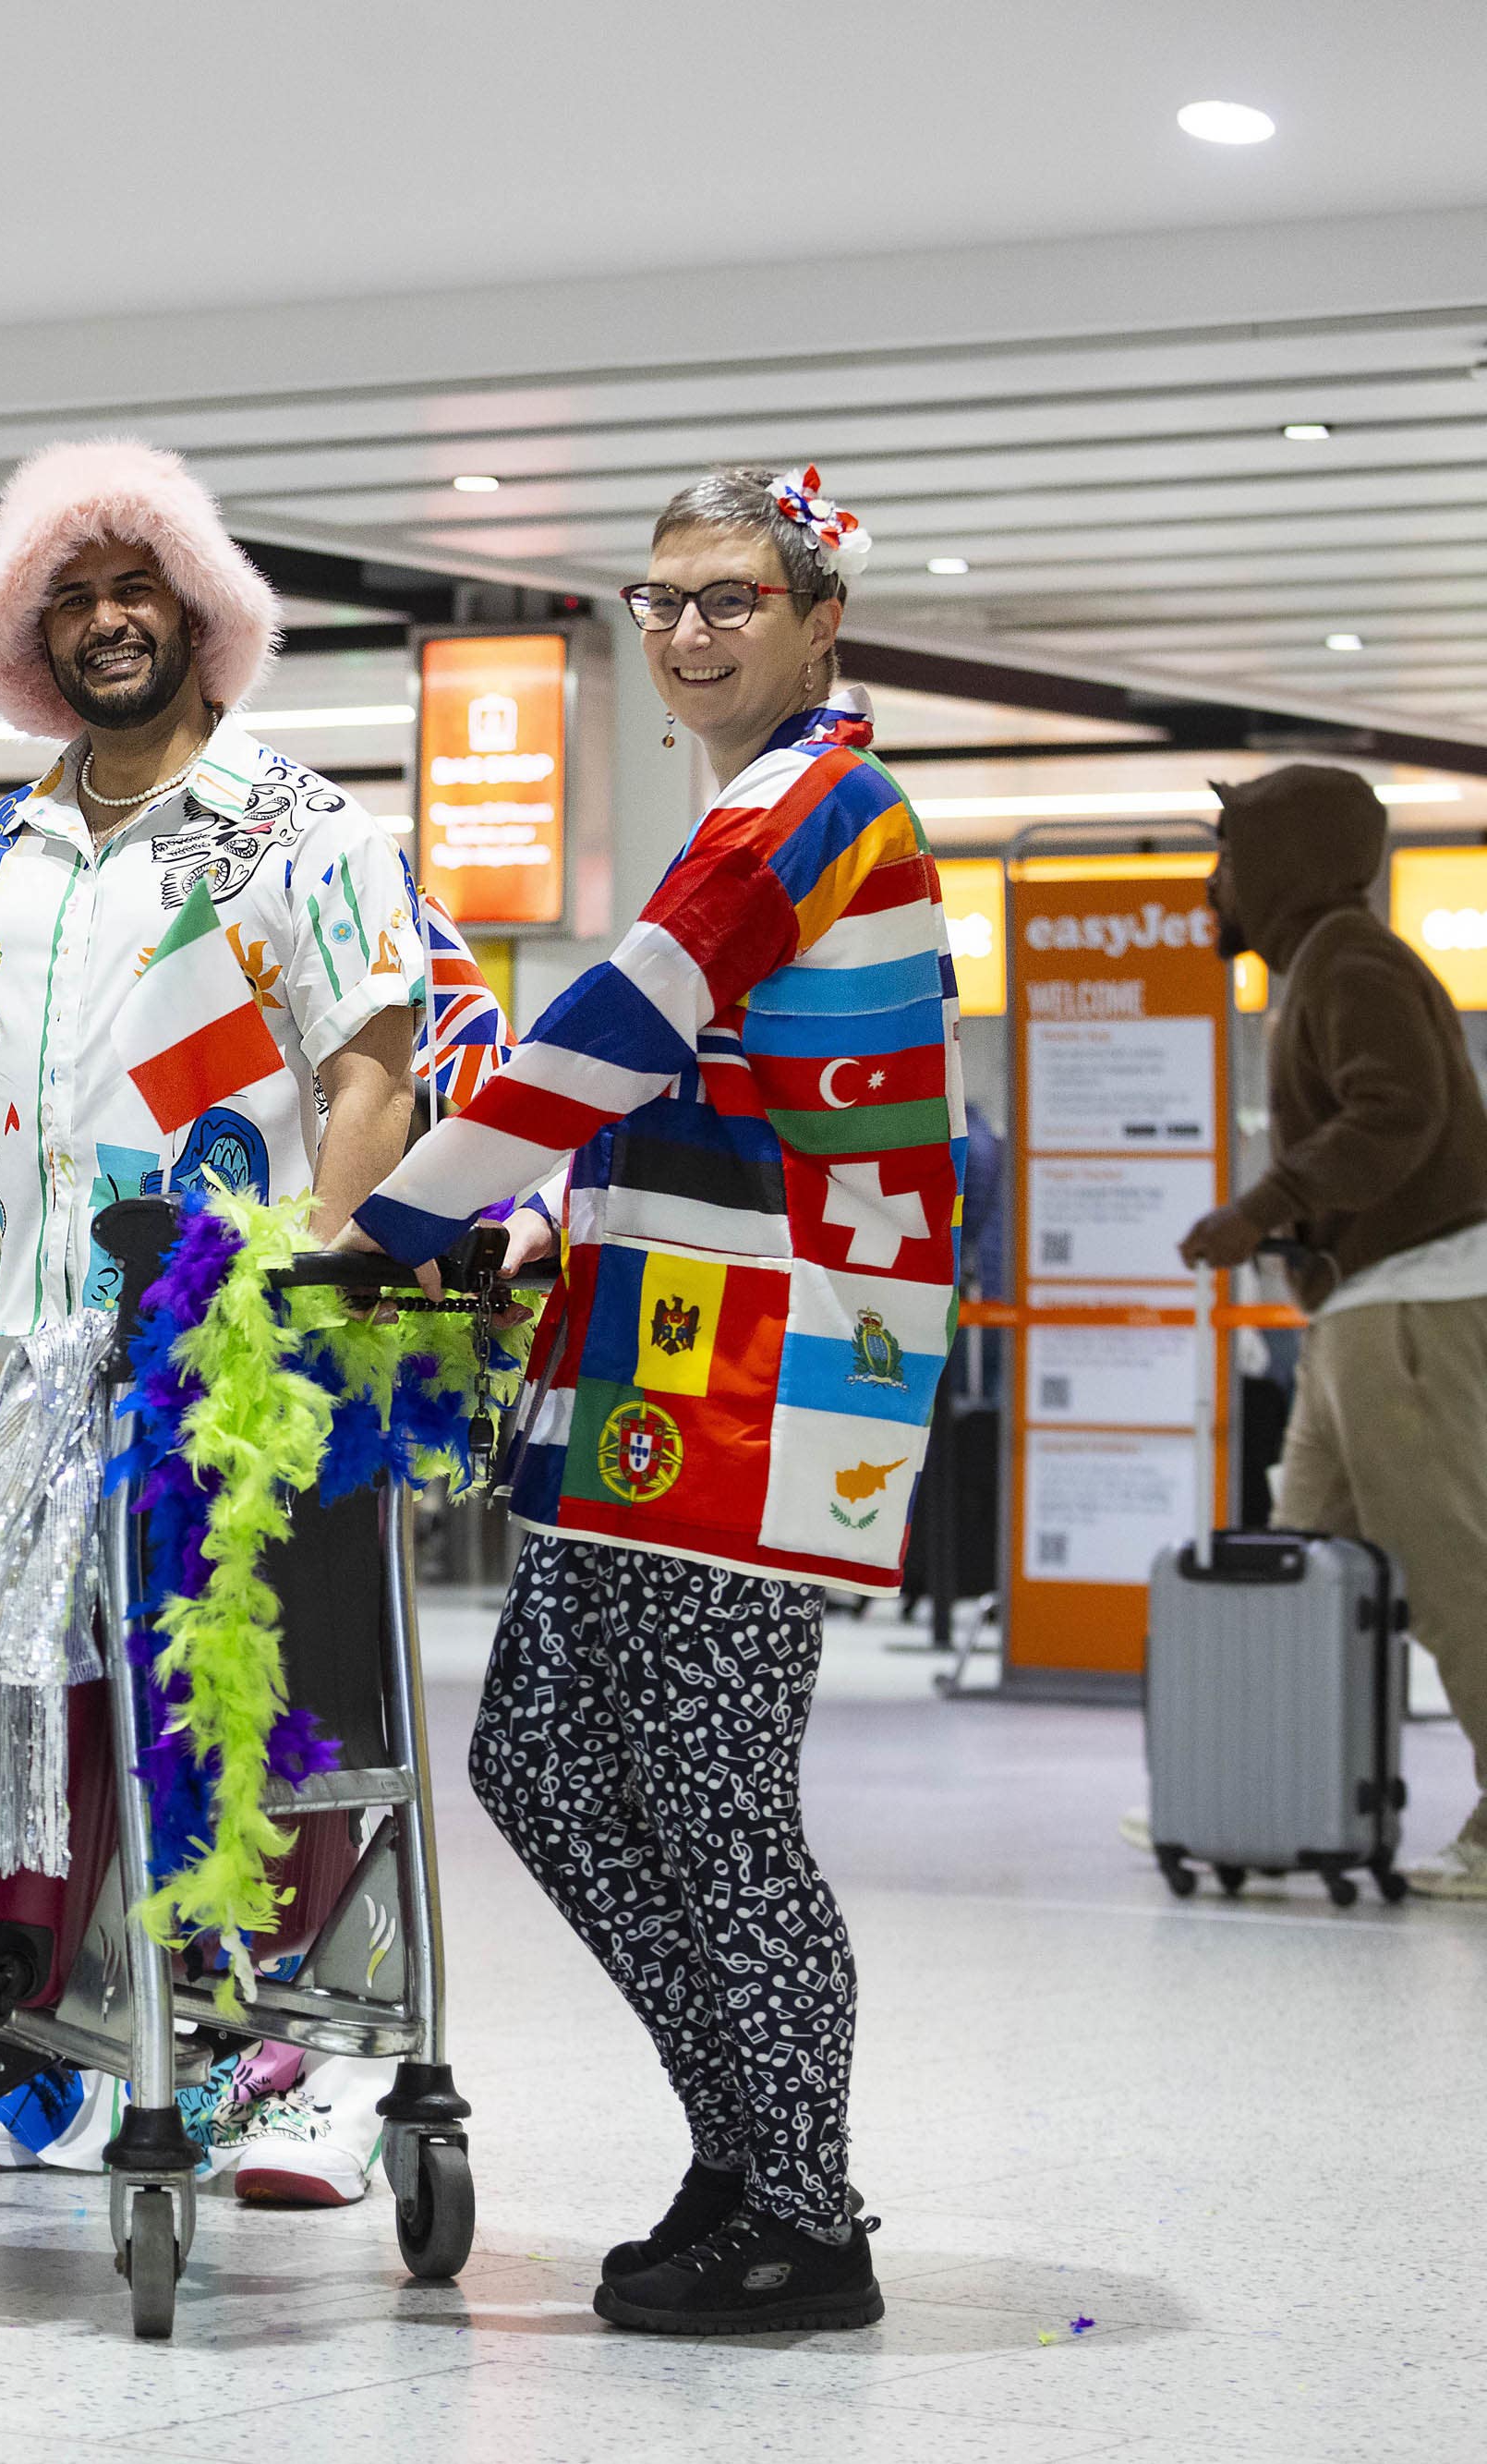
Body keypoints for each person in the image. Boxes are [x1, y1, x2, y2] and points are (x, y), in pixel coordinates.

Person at [341, 466, 942, 2337]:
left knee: (709, 1797)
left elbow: (620, 1020)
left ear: (817, 614)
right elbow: (680, 1089)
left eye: (728, 599)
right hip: (652, 1359)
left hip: (768, 1369)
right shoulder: (751, 802)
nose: (686, 632)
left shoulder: (811, 807)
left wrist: (391, 1218)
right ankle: (747, 2142)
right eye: (661, 599)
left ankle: (804, 2211)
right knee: (537, 1760)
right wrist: (531, 1218)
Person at [0, 442, 427, 2191]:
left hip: (236, 1351)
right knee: (53, 1699)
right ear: (27, 635)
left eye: (131, 587)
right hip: (19, 1354)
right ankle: (64, 2048)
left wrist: (313, 1278)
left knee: (258, 1694)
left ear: (198, 606)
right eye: (66, 600)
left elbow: (374, 1068)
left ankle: (280, 2049)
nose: (103, 623)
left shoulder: (303, 830)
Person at [1179, 763, 1487, 1902]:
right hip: (1364, 1304)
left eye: (1230, 857)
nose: (1217, 883)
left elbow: (1391, 1115)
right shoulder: (1323, 963)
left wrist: (1256, 1210)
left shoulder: (1349, 961)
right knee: (1293, 1554)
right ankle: (1251, 1788)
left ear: (1283, 864)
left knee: (1449, 1563)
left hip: (1409, 1302)